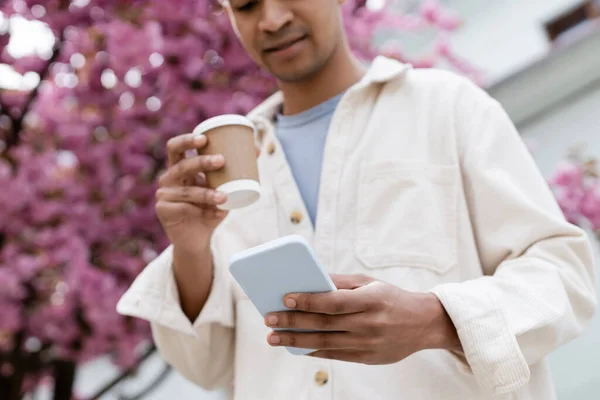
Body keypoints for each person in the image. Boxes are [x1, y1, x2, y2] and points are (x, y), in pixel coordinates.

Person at [117, 0, 598, 399]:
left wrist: (436, 319)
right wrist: (191, 249)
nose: (272, 19)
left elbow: (564, 274)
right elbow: (208, 367)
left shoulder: (448, 106)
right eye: (246, 5)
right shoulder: (230, 169)